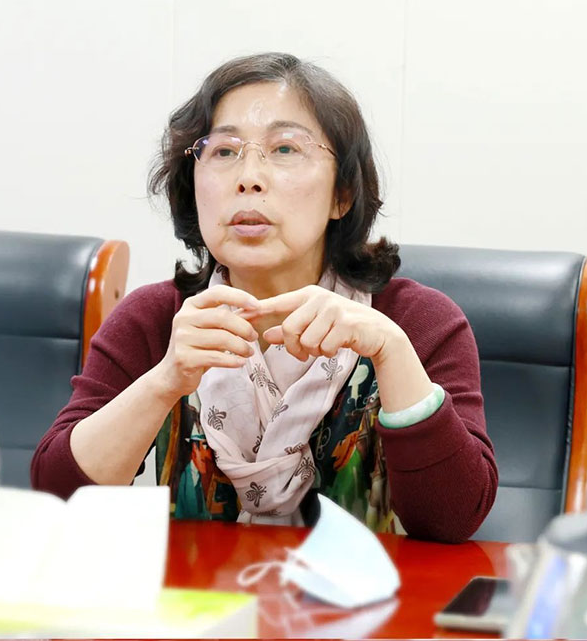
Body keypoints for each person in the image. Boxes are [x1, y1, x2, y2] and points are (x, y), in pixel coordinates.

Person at [31, 52, 497, 543]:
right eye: (223, 151)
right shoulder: (157, 318)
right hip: (195, 593)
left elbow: (453, 519)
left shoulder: (416, 321)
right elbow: (58, 499)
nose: (248, 177)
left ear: (342, 194)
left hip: (363, 595)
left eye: (285, 149)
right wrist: (165, 381)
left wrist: (391, 352)